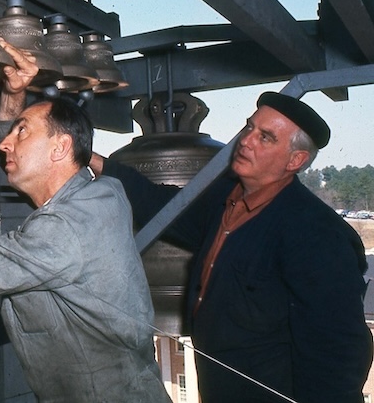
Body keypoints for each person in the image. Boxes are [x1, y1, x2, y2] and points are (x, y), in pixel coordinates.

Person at [0, 39, 171, 402]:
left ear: (60, 148)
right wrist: (15, 94)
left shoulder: (62, 232)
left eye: (22, 130)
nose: (4, 143)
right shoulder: (102, 193)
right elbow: (23, 158)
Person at [88, 91, 374, 402]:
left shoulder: (315, 233)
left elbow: (339, 350)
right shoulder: (224, 198)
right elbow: (161, 206)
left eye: (265, 137)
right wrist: (91, 159)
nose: (247, 141)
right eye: (248, 128)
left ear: (296, 160)